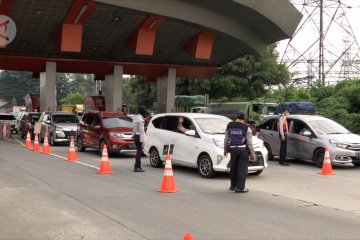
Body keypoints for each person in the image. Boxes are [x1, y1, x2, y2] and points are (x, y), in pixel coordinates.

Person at [224, 110, 256, 193]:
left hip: (233, 149)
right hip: (243, 150)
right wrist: (253, 154)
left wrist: (225, 149)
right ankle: (240, 188)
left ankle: (233, 185)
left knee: (233, 167)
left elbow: (226, 138)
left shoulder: (229, 125)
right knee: (242, 169)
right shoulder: (246, 127)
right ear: (244, 118)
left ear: (236, 117)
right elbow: (249, 142)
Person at [132, 106, 149, 172]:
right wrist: (143, 141)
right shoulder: (141, 120)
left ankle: (138, 166)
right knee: (139, 152)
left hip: (135, 135)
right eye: (144, 112)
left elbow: (134, 128)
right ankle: (137, 167)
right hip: (139, 136)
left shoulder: (136, 118)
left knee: (138, 152)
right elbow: (142, 131)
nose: (145, 113)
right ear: (142, 112)